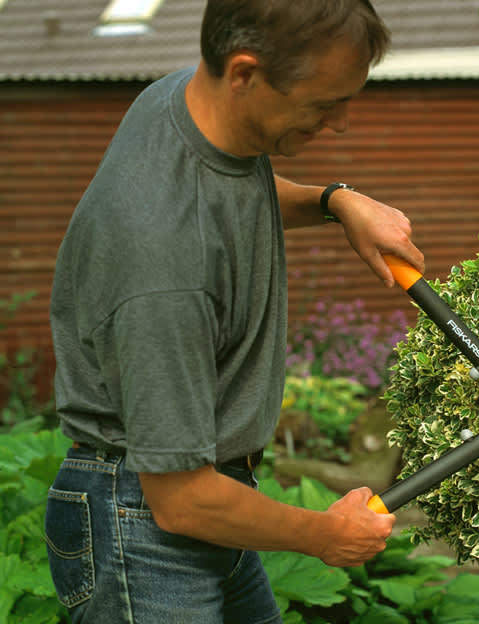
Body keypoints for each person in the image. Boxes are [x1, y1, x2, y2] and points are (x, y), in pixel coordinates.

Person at [44, 1, 424, 622]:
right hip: (145, 524)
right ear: (244, 73)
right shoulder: (161, 263)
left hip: (204, 494)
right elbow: (181, 499)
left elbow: (225, 186)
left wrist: (335, 202)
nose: (341, 124)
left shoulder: (180, 103)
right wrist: (324, 534)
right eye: (323, 103)